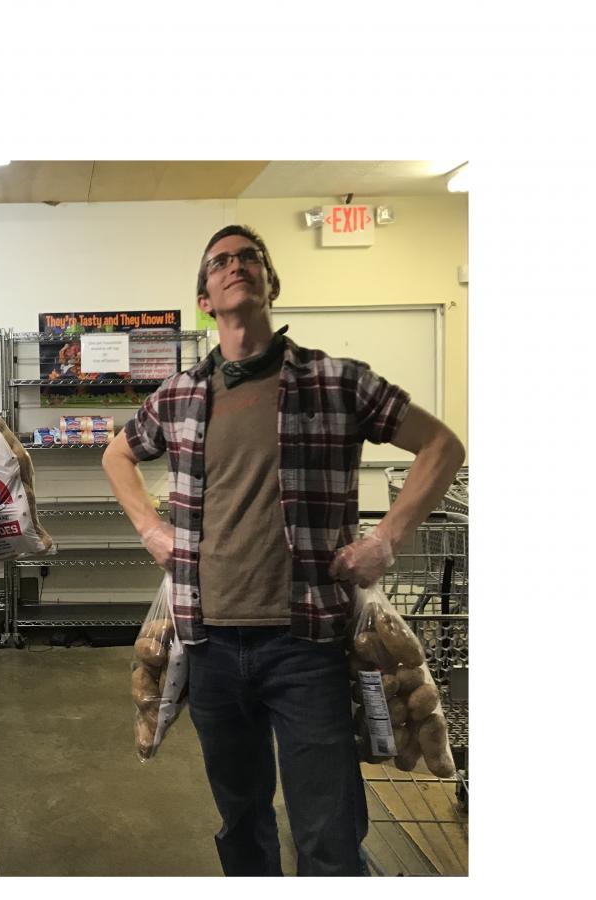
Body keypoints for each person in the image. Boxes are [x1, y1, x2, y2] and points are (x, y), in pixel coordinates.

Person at [102, 225, 465, 876]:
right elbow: (116, 453)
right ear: (205, 298)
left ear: (271, 283)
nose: (236, 266)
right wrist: (151, 530)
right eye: (220, 261)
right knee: (241, 823)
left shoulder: (336, 381)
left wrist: (387, 539)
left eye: (250, 258)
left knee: (328, 833)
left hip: (306, 647)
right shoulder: (181, 395)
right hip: (208, 644)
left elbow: (442, 447)